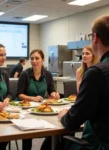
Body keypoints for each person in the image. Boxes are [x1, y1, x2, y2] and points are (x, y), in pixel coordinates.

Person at [57, 15, 109, 150]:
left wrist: (63, 115)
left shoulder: (95, 73)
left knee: (54, 144)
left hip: (98, 144)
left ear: (95, 38)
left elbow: (73, 121)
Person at [17, 49, 60, 150]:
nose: (34, 61)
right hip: (25, 109)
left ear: (43, 59)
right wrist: (32, 98)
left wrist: (55, 94)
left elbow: (51, 90)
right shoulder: (25, 74)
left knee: (52, 128)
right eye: (32, 58)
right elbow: (19, 94)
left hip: (40, 108)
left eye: (37, 58)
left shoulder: (48, 74)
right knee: (28, 134)